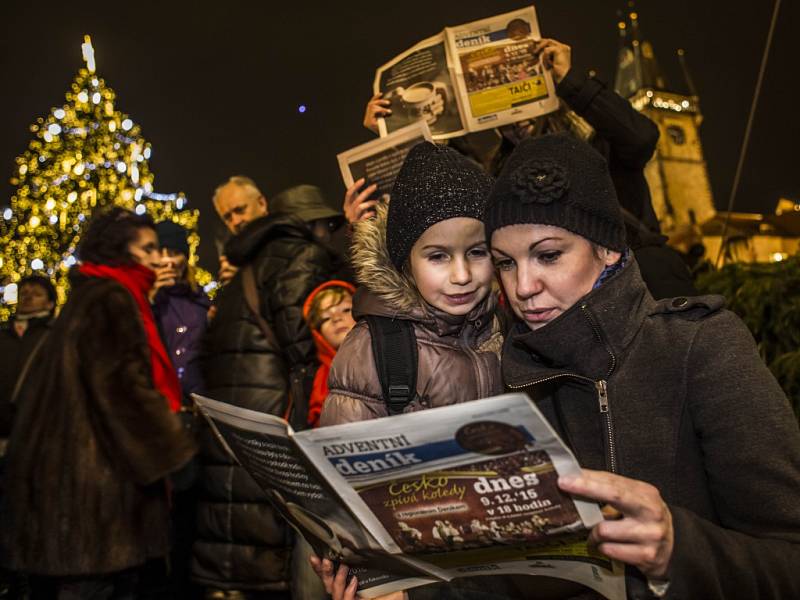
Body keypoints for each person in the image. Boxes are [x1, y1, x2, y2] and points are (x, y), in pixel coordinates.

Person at [484, 134, 800, 598]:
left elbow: (789, 558)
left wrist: (679, 550)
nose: (523, 286)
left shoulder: (701, 345)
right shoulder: (503, 379)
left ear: (608, 249)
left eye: (548, 255)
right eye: (505, 264)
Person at [310, 142, 504, 597]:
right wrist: (376, 584)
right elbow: (347, 487)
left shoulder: (505, 326)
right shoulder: (375, 348)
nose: (461, 275)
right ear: (404, 261)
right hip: (421, 579)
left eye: (476, 252)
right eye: (437, 256)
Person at [0, 206, 196, 598]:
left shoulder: (94, 294)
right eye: (148, 248)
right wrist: (175, 454)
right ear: (121, 252)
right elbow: (123, 391)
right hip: (93, 498)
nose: (158, 258)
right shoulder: (111, 298)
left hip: (74, 490)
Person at [196, 179, 344, 599]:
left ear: (264, 205)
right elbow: (312, 356)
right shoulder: (298, 259)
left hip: (242, 442)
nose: (236, 220)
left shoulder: (240, 276)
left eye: (240, 209)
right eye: (227, 216)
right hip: (279, 437)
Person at [149, 220, 211, 598]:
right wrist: (147, 297)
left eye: (176, 253)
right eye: (162, 254)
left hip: (197, 419)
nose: (170, 261)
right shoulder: (141, 303)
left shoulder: (200, 301)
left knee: (190, 515)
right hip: (157, 420)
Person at [0, 274, 56, 456]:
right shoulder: (4, 333)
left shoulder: (56, 336)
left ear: (50, 304)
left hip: (37, 433)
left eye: (37, 294)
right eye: (24, 292)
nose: (28, 297)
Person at [302, 280, 357, 428]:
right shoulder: (314, 380)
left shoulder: (388, 358)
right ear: (318, 334)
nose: (336, 318)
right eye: (325, 318)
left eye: (346, 310)